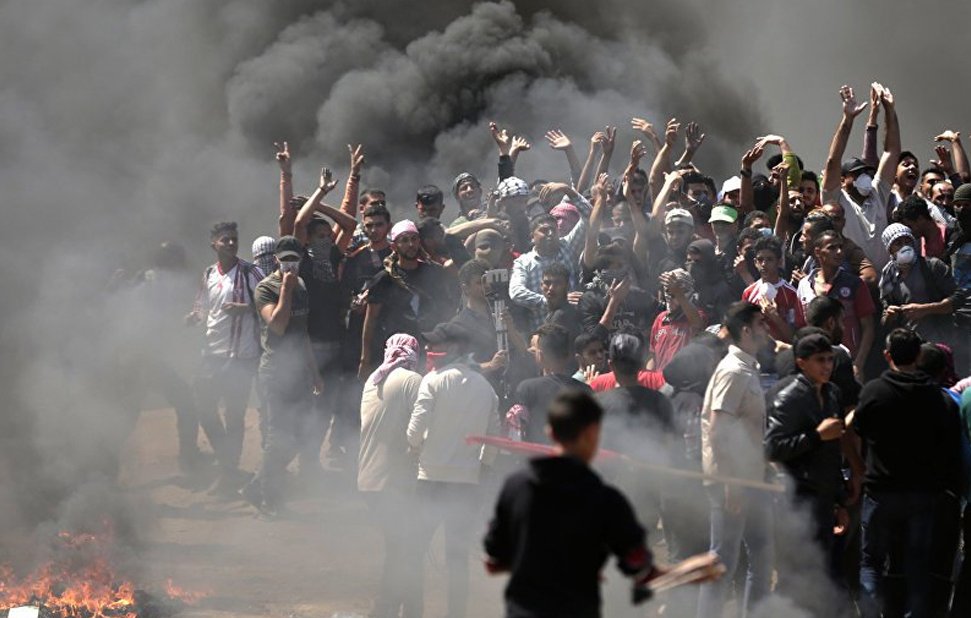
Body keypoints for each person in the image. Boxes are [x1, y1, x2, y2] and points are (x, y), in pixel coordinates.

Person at [483, 390, 667, 618]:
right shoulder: (606, 499)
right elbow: (636, 563)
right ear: (593, 435)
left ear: (550, 432)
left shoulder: (516, 487)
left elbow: (495, 547)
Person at [851, 328, 964, 618]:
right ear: (918, 356)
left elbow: (857, 432)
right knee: (916, 566)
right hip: (924, 498)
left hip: (880, 494)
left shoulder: (874, 392)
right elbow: (951, 450)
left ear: (887, 355)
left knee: (872, 563)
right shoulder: (942, 401)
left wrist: (859, 470)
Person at [407, 322, 499, 618]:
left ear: (456, 349)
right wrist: (479, 468)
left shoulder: (432, 382)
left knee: (414, 552)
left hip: (430, 480)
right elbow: (493, 443)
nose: (431, 351)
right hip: (466, 484)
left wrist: (417, 448)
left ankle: (412, 614)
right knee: (457, 558)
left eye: (437, 346)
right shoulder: (486, 389)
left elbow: (413, 432)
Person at [697, 302, 774, 618]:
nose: (766, 329)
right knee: (723, 562)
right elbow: (718, 431)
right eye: (761, 323)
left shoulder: (746, 367)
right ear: (746, 330)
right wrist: (731, 485)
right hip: (733, 482)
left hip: (749, 478)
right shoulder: (733, 370)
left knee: (762, 555)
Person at [765, 333, 849, 612]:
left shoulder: (832, 393)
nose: (827, 366)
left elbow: (833, 454)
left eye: (830, 359)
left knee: (819, 578)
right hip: (795, 503)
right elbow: (772, 448)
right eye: (820, 360)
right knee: (794, 580)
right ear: (802, 363)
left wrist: (840, 500)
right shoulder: (789, 396)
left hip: (824, 503)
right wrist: (815, 436)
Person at [242, 236, 322, 517]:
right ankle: (268, 500)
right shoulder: (266, 288)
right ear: (275, 259)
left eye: (295, 259)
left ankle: (255, 486)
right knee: (279, 438)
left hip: (300, 372)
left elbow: (303, 334)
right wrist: (286, 290)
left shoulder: (302, 285)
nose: (290, 265)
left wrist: (315, 373)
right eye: (285, 259)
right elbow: (276, 325)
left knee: (302, 436)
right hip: (276, 372)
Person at [186, 221, 263, 494]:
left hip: (241, 356)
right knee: (203, 408)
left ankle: (228, 473)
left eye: (234, 239)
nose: (231, 244)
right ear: (214, 244)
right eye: (225, 240)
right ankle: (227, 462)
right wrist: (194, 317)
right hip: (212, 353)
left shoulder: (251, 272)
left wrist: (246, 308)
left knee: (234, 414)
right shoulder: (208, 273)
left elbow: (270, 304)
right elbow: (202, 306)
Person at [358, 334, 423, 618]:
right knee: (404, 554)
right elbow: (421, 431)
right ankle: (383, 612)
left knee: (401, 550)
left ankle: (405, 611)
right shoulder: (411, 381)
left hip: (370, 480)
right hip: (393, 482)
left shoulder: (373, 379)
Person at [359, 220, 458, 379]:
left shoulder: (434, 273)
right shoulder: (384, 279)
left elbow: (446, 310)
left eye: (414, 239)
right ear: (394, 246)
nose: (410, 244)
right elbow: (371, 321)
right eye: (404, 240)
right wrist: (365, 359)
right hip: (397, 353)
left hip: (430, 349)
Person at [820, 84, 899, 270]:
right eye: (857, 174)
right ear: (842, 179)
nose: (865, 177)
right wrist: (848, 119)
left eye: (866, 172)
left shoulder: (877, 194)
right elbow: (833, 161)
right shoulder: (836, 200)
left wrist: (890, 111)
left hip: (884, 284)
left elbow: (892, 151)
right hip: (852, 281)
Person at [509, 188, 592, 332]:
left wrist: (568, 190)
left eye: (554, 230)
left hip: (576, 329)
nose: (550, 234)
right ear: (532, 236)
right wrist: (549, 301)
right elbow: (516, 292)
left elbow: (589, 216)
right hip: (545, 335)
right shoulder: (523, 262)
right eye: (544, 230)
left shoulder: (567, 245)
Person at [796, 230, 875, 377]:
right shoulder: (804, 285)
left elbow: (868, 327)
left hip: (848, 363)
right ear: (818, 252)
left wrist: (859, 364)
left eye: (840, 247)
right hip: (815, 366)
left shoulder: (855, 284)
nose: (839, 252)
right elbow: (801, 327)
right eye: (832, 248)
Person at [507, 324, 592, 443]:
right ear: (568, 356)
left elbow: (516, 434)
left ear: (540, 356)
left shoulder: (527, 388)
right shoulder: (586, 391)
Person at [879, 223, 960, 347]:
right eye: (898, 243)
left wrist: (925, 309)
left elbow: (958, 299)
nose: (904, 247)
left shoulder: (932, 266)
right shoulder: (888, 278)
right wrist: (890, 316)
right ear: (890, 249)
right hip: (912, 348)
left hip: (941, 342)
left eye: (908, 241)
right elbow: (885, 319)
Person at [742, 234, 805, 342]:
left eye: (769, 259)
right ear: (755, 262)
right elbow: (744, 330)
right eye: (760, 259)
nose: (764, 264)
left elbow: (795, 337)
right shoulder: (748, 293)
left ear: (779, 262)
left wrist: (775, 317)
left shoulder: (791, 294)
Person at [649, 269, 706, 372]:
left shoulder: (697, 315)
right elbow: (653, 357)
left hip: (682, 381)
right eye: (668, 292)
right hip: (660, 382)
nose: (671, 297)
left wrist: (678, 293)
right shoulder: (660, 319)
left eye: (675, 293)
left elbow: (697, 322)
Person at [896, 194, 947, 259]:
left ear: (920, 219)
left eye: (910, 226)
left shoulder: (947, 235)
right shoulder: (919, 241)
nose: (909, 231)